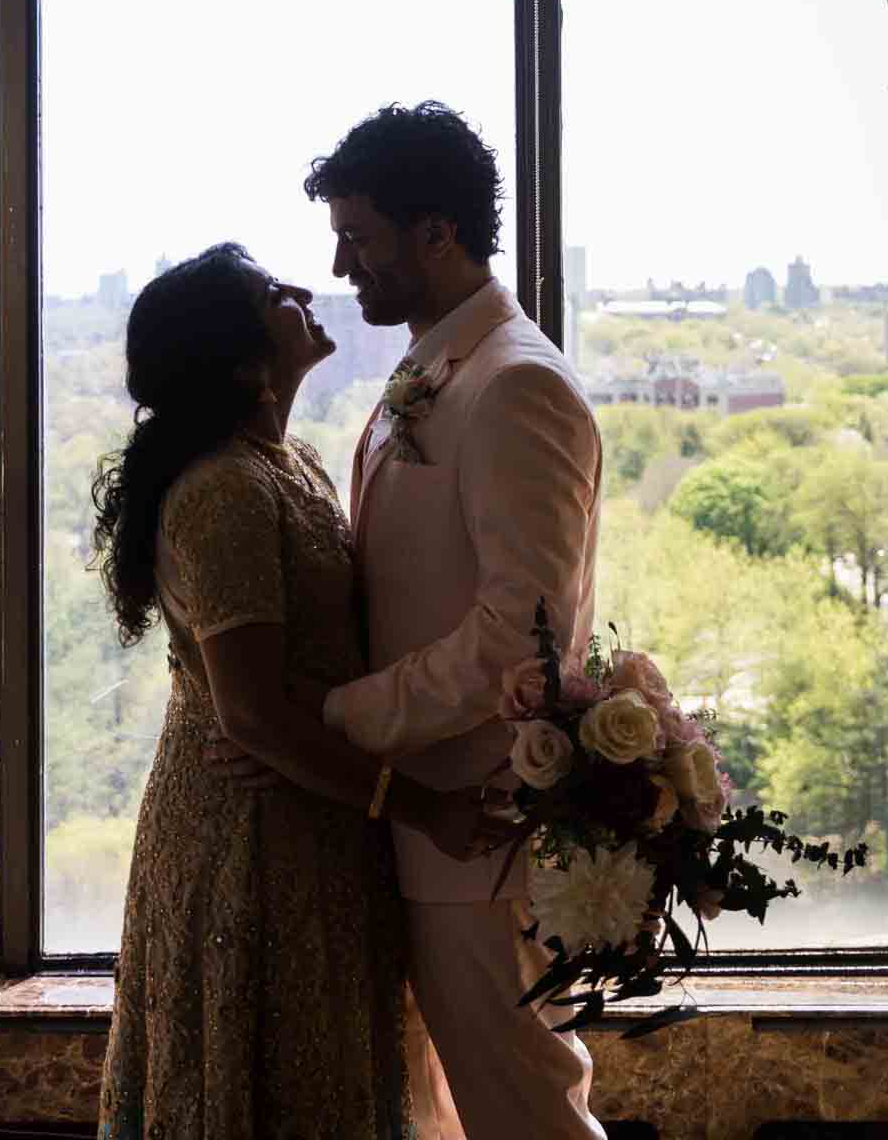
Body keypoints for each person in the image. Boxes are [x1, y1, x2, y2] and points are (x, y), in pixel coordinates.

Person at [93, 240, 503, 1140]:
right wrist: (423, 808)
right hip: (253, 835)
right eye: (271, 292)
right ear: (242, 357)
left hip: (316, 809)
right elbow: (250, 713)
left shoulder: (291, 464)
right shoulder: (224, 492)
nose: (302, 290)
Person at [303, 103, 605, 1140]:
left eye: (360, 236)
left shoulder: (517, 383)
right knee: (444, 1116)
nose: (342, 264)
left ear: (435, 233)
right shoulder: (437, 367)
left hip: (481, 834)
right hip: (420, 821)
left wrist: (340, 715)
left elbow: (516, 639)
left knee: (525, 1111)